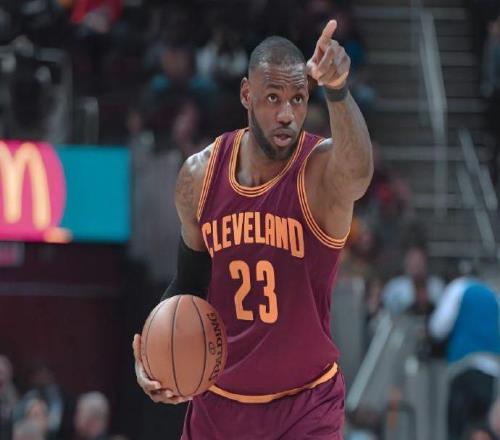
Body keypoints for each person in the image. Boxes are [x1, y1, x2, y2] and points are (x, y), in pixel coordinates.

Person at [133, 19, 373, 439]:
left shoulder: (318, 170)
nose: (287, 115)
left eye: (298, 99)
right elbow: (189, 282)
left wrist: (337, 89)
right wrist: (153, 358)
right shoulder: (200, 176)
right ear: (247, 94)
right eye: (273, 98)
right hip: (219, 404)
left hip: (305, 405)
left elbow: (357, 175)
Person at [429, 277, 500, 440]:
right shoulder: (494, 296)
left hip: (464, 368)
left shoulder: (459, 287)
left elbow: (438, 327)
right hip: (490, 374)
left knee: (458, 429)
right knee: (482, 428)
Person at [382, 245, 445, 316]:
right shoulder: (394, 287)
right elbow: (388, 312)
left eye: (420, 261)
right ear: (406, 263)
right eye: (413, 261)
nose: (417, 265)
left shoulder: (437, 285)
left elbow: (443, 312)